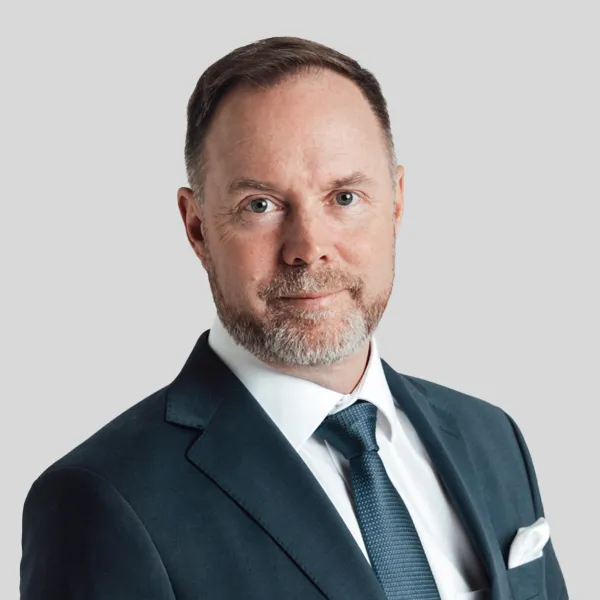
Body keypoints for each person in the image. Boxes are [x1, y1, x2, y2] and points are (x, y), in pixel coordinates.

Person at [20, 36, 569, 600]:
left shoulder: (492, 438)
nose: (308, 248)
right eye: (260, 205)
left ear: (397, 203)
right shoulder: (103, 499)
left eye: (345, 197)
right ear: (197, 227)